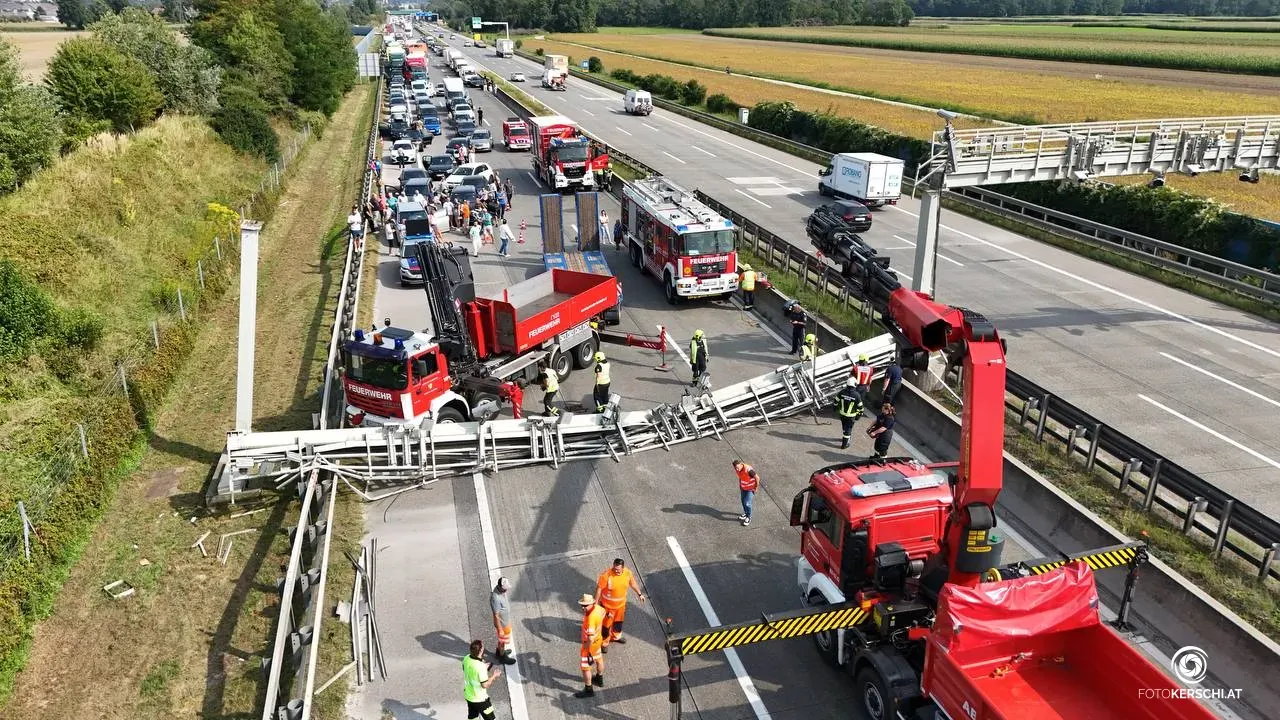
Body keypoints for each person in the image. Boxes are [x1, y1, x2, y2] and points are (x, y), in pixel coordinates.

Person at [595, 558, 645, 649]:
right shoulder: (606, 575)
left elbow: (633, 583)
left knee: (618, 623)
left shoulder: (627, 573)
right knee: (606, 626)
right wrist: (596, 604)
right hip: (607, 607)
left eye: (618, 569)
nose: (616, 571)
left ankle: (616, 637)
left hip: (620, 606)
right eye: (614, 569)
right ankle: (604, 643)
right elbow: (599, 590)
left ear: (623, 568)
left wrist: (639, 594)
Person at [575, 594, 607, 698]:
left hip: (590, 645)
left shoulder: (590, 619)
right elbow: (604, 613)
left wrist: (587, 649)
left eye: (586, 605)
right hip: (598, 641)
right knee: (599, 659)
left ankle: (588, 689)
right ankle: (599, 678)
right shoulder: (598, 608)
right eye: (582, 605)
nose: (583, 608)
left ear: (592, 603)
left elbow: (590, 637)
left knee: (585, 667)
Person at [463, 639, 501, 719]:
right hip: (480, 699)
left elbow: (468, 671)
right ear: (481, 651)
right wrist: (494, 676)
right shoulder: (480, 667)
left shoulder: (466, 658)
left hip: (469, 695)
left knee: (473, 716)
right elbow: (485, 685)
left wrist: (483, 667)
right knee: (490, 718)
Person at [490, 577, 516, 665]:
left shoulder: (501, 591)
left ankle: (500, 652)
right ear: (500, 587)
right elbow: (496, 615)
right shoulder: (495, 598)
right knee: (502, 641)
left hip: (505, 622)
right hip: (502, 624)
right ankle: (502, 657)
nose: (506, 590)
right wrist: (500, 629)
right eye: (505, 589)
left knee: (503, 640)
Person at [837, 378, 865, 450]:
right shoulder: (857, 395)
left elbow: (835, 401)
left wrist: (836, 409)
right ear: (854, 384)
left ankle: (845, 437)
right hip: (851, 416)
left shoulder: (842, 392)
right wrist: (858, 416)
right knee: (848, 430)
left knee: (844, 427)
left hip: (842, 414)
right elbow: (860, 407)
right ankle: (844, 444)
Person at [733, 460, 759, 526]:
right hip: (743, 487)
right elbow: (740, 477)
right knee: (743, 501)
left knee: (747, 503)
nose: (736, 469)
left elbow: (757, 478)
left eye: (737, 467)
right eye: (735, 468)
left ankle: (748, 517)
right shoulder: (738, 470)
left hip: (750, 488)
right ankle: (746, 513)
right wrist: (740, 485)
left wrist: (756, 487)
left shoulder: (748, 470)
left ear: (741, 464)